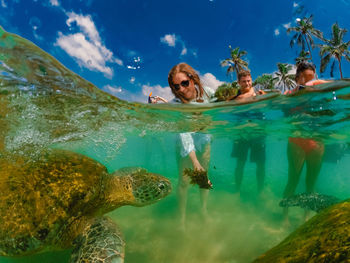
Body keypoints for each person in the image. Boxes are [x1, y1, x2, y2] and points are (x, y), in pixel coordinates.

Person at [282, 62, 331, 225]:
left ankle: (306, 218)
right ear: (297, 79)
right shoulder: (291, 94)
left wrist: (317, 85)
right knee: (293, 180)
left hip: (317, 143)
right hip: (297, 142)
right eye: (306, 79)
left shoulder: (321, 94)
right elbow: (283, 107)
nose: (310, 83)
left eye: (313, 79)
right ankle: (285, 217)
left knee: (311, 183)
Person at [168, 63, 215, 228]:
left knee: (204, 177)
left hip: (204, 138)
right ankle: (181, 218)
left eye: (184, 83)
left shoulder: (208, 94)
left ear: (192, 79)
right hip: (183, 141)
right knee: (183, 181)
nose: (180, 89)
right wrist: (194, 161)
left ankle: (203, 210)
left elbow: (223, 105)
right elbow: (184, 134)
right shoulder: (175, 104)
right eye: (176, 86)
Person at [229, 70, 266, 198]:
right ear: (239, 83)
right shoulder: (235, 99)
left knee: (260, 164)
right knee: (240, 163)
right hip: (242, 134)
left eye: (249, 81)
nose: (247, 83)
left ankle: (260, 191)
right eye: (244, 81)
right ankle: (237, 190)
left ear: (252, 81)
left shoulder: (259, 95)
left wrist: (263, 97)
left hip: (258, 134)